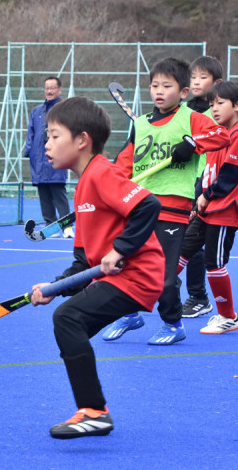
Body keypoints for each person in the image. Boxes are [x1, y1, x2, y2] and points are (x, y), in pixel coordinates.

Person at [30, 96, 164, 439]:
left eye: (54, 135)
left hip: (137, 275)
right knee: (70, 324)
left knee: (69, 319)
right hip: (121, 277)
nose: (46, 144)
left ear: (82, 140)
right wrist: (55, 287)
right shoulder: (82, 186)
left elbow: (148, 205)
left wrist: (121, 249)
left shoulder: (102, 173)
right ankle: (92, 410)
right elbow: (82, 260)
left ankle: (93, 411)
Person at [103, 57, 229, 345]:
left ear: (184, 92)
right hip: (139, 206)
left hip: (172, 210)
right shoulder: (141, 124)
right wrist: (114, 191)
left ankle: (173, 324)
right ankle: (130, 312)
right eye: (154, 85)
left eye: (166, 86)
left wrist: (193, 144)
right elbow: (126, 164)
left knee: (164, 275)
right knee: (127, 266)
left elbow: (221, 136)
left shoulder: (192, 118)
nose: (159, 91)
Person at [177, 80, 238, 334]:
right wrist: (199, 196)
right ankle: (154, 292)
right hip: (207, 206)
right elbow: (207, 172)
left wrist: (207, 196)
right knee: (181, 250)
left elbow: (228, 177)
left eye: (220, 104)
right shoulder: (218, 134)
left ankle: (228, 317)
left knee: (214, 262)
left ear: (236, 106)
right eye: (211, 104)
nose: (214, 109)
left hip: (224, 210)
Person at [180, 56, 223, 318]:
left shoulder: (214, 114)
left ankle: (198, 296)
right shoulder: (184, 110)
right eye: (193, 77)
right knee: (183, 241)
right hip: (182, 182)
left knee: (192, 243)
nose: (196, 82)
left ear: (216, 83)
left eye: (202, 78)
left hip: (205, 184)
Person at [25, 77, 73, 238]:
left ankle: (67, 227)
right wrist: (29, 151)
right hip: (38, 159)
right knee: (43, 192)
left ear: (60, 89)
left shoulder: (65, 110)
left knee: (58, 190)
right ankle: (50, 225)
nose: (49, 91)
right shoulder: (37, 111)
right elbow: (30, 134)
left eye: (53, 88)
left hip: (56, 157)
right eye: (47, 88)